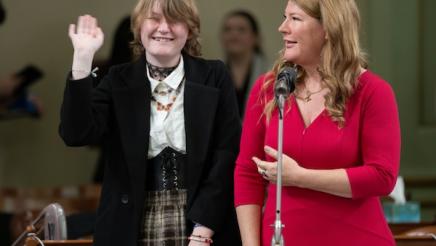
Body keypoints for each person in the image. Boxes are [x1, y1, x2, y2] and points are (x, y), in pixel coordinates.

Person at [59, 0, 241, 245]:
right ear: (138, 27)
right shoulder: (117, 80)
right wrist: (82, 59)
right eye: (154, 18)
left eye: (174, 20)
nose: (163, 28)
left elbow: (227, 155)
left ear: (189, 30)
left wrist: (202, 231)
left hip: (201, 225)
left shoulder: (214, 76)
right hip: (128, 227)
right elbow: (76, 134)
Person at [234, 0, 401, 245]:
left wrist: (300, 177)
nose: (282, 27)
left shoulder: (373, 92)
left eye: (295, 18)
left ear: (328, 29)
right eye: (284, 17)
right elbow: (247, 172)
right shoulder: (269, 89)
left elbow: (382, 176)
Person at [220, 10, 268, 118]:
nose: (234, 34)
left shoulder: (272, 74)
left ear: (255, 38)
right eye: (228, 30)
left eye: (241, 30)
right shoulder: (212, 74)